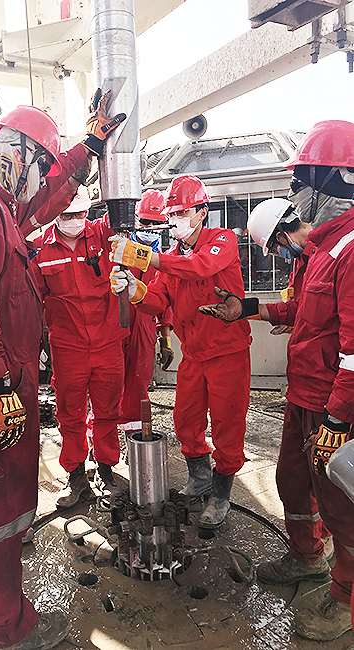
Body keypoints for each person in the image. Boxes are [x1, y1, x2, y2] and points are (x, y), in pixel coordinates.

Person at [0, 96, 124, 650]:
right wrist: (0, 387)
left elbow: (47, 196)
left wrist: (88, 148)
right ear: (16, 155)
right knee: (0, 510)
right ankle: (9, 629)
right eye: (39, 165)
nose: (38, 181)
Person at [198, 120, 354, 642]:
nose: (296, 192)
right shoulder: (320, 252)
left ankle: (345, 599)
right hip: (303, 395)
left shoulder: (350, 250)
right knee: (292, 480)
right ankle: (307, 556)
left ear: (331, 182)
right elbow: (300, 313)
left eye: (301, 181)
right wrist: (244, 308)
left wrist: (337, 418)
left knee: (341, 505)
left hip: (331, 405)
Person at [110, 174, 252, 529]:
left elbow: (201, 267)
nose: (174, 219)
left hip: (228, 353)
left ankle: (221, 495)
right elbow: (158, 301)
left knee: (227, 425)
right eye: (171, 213)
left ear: (202, 212)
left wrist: (145, 257)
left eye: (181, 212)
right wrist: (133, 289)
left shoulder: (223, 240)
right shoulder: (172, 257)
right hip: (194, 354)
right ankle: (200, 479)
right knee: (186, 422)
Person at [31, 184, 127, 507]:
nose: (75, 220)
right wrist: (36, 343)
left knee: (107, 411)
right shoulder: (39, 250)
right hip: (67, 347)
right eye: (68, 215)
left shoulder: (103, 235)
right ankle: (76, 477)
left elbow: (123, 211)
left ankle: (106, 470)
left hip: (106, 342)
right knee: (69, 414)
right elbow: (34, 299)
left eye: (81, 214)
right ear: (54, 215)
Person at [119, 189, 173, 434]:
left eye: (156, 223)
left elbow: (165, 305)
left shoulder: (163, 261)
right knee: (106, 384)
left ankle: (134, 436)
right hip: (115, 329)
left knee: (139, 383)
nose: (150, 228)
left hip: (144, 331)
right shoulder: (119, 252)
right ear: (135, 220)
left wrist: (165, 341)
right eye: (145, 222)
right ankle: (98, 440)